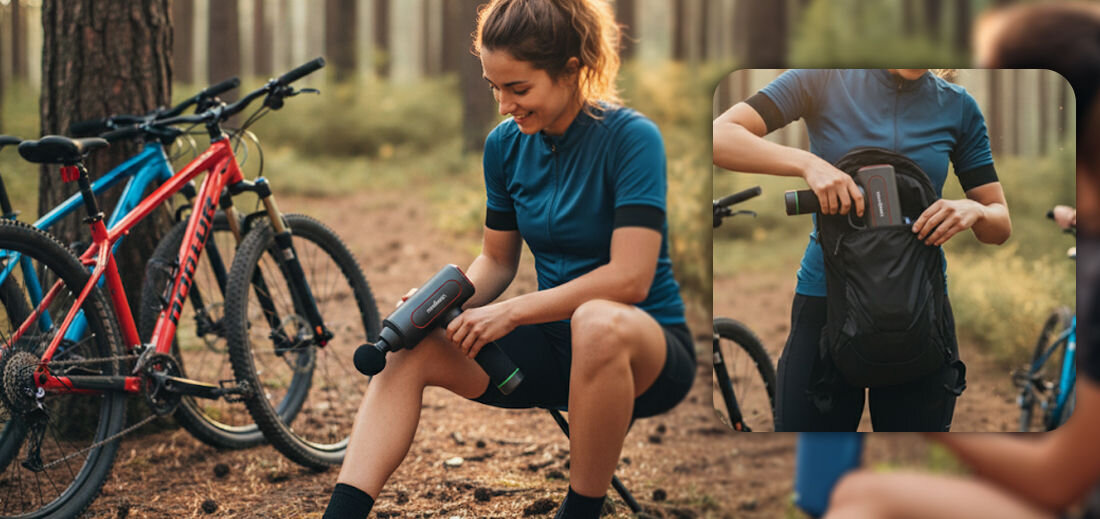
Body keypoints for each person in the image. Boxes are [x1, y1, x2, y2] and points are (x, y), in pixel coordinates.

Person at [322, 1, 695, 517]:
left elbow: (630, 279)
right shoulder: (504, 146)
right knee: (410, 345)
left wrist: (513, 311)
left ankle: (581, 511)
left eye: (518, 89)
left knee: (596, 322)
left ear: (572, 69)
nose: (503, 105)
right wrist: (439, 301)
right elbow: (496, 261)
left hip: (642, 352)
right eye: (494, 87)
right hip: (553, 349)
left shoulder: (631, 140)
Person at [824, 3, 1100, 517]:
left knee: (863, 498)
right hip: (834, 301)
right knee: (859, 494)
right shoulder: (828, 83)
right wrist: (805, 165)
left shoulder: (958, 106)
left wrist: (927, 428)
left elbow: (1058, 479)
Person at [712, 69, 1012, 432]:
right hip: (826, 302)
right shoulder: (822, 78)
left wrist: (976, 209)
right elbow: (719, 136)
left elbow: (999, 224)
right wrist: (808, 164)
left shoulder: (958, 106)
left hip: (920, 312)